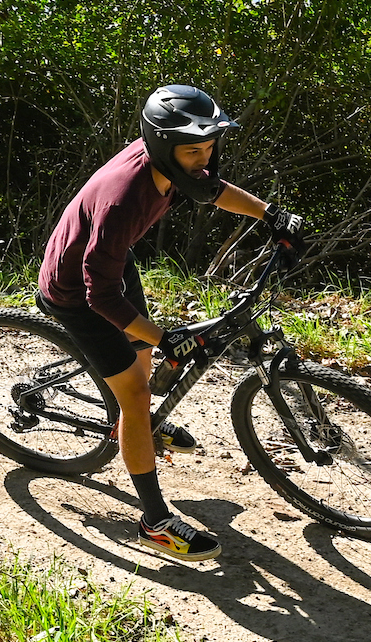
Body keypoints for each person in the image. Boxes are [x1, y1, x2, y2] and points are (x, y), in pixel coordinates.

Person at [37, 85, 304, 563]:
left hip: (110, 266)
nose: (204, 159)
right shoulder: (125, 199)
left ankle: (133, 426)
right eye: (194, 150)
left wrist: (271, 214)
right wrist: (167, 338)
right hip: (78, 291)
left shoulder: (174, 164)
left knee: (141, 362)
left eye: (209, 147)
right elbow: (100, 296)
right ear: (164, 147)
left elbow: (212, 190)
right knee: (137, 394)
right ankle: (154, 522)